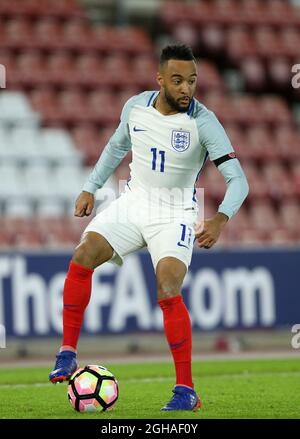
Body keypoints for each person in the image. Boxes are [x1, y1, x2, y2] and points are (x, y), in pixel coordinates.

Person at [49, 44, 249, 411]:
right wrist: (90, 188)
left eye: (192, 80)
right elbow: (114, 148)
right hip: (133, 202)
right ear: (160, 79)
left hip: (176, 213)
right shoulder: (136, 106)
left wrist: (220, 219)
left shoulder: (204, 122)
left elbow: (239, 181)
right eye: (177, 80)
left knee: (168, 287)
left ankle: (186, 391)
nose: (186, 88)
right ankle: (66, 352)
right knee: (83, 254)